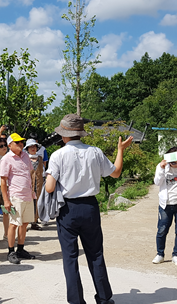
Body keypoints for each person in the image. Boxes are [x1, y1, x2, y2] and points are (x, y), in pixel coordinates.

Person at [45, 114, 133, 304]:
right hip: (90, 207)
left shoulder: (58, 155)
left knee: (70, 257)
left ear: (64, 135)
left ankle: (76, 301)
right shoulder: (95, 151)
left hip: (68, 209)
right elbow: (116, 173)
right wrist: (120, 149)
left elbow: (50, 187)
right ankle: (104, 298)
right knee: (95, 254)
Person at [0, 133, 36, 264]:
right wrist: (6, 200)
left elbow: (30, 173)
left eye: (21, 142)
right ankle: (11, 251)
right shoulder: (6, 159)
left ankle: (21, 249)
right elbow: (3, 181)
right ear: (10, 145)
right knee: (14, 223)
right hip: (15, 196)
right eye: (17, 142)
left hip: (28, 195)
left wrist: (32, 191)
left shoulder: (26, 156)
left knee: (25, 223)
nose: (20, 144)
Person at [24, 139, 44, 231]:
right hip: (28, 184)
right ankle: (26, 222)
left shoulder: (40, 158)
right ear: (27, 148)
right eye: (31, 147)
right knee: (29, 202)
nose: (33, 148)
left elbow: (42, 170)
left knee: (37, 202)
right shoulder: (25, 158)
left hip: (38, 183)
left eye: (34, 147)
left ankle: (34, 222)